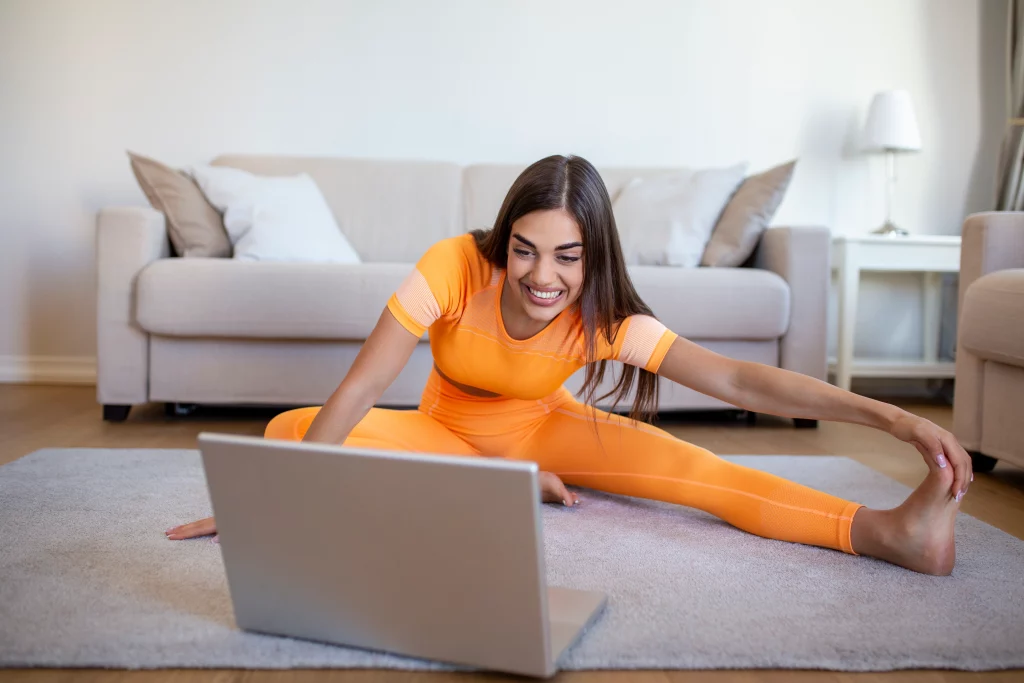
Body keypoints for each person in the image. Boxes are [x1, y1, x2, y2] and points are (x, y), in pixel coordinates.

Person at [166, 154, 972, 575]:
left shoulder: (605, 314)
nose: (541, 277)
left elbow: (735, 380)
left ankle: (888, 533)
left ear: (593, 257)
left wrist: (891, 414)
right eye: (523, 250)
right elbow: (365, 385)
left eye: (565, 257)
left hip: (546, 432)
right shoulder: (451, 265)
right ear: (502, 239)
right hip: (443, 433)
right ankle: (498, 485)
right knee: (292, 430)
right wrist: (272, 505)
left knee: (704, 474)